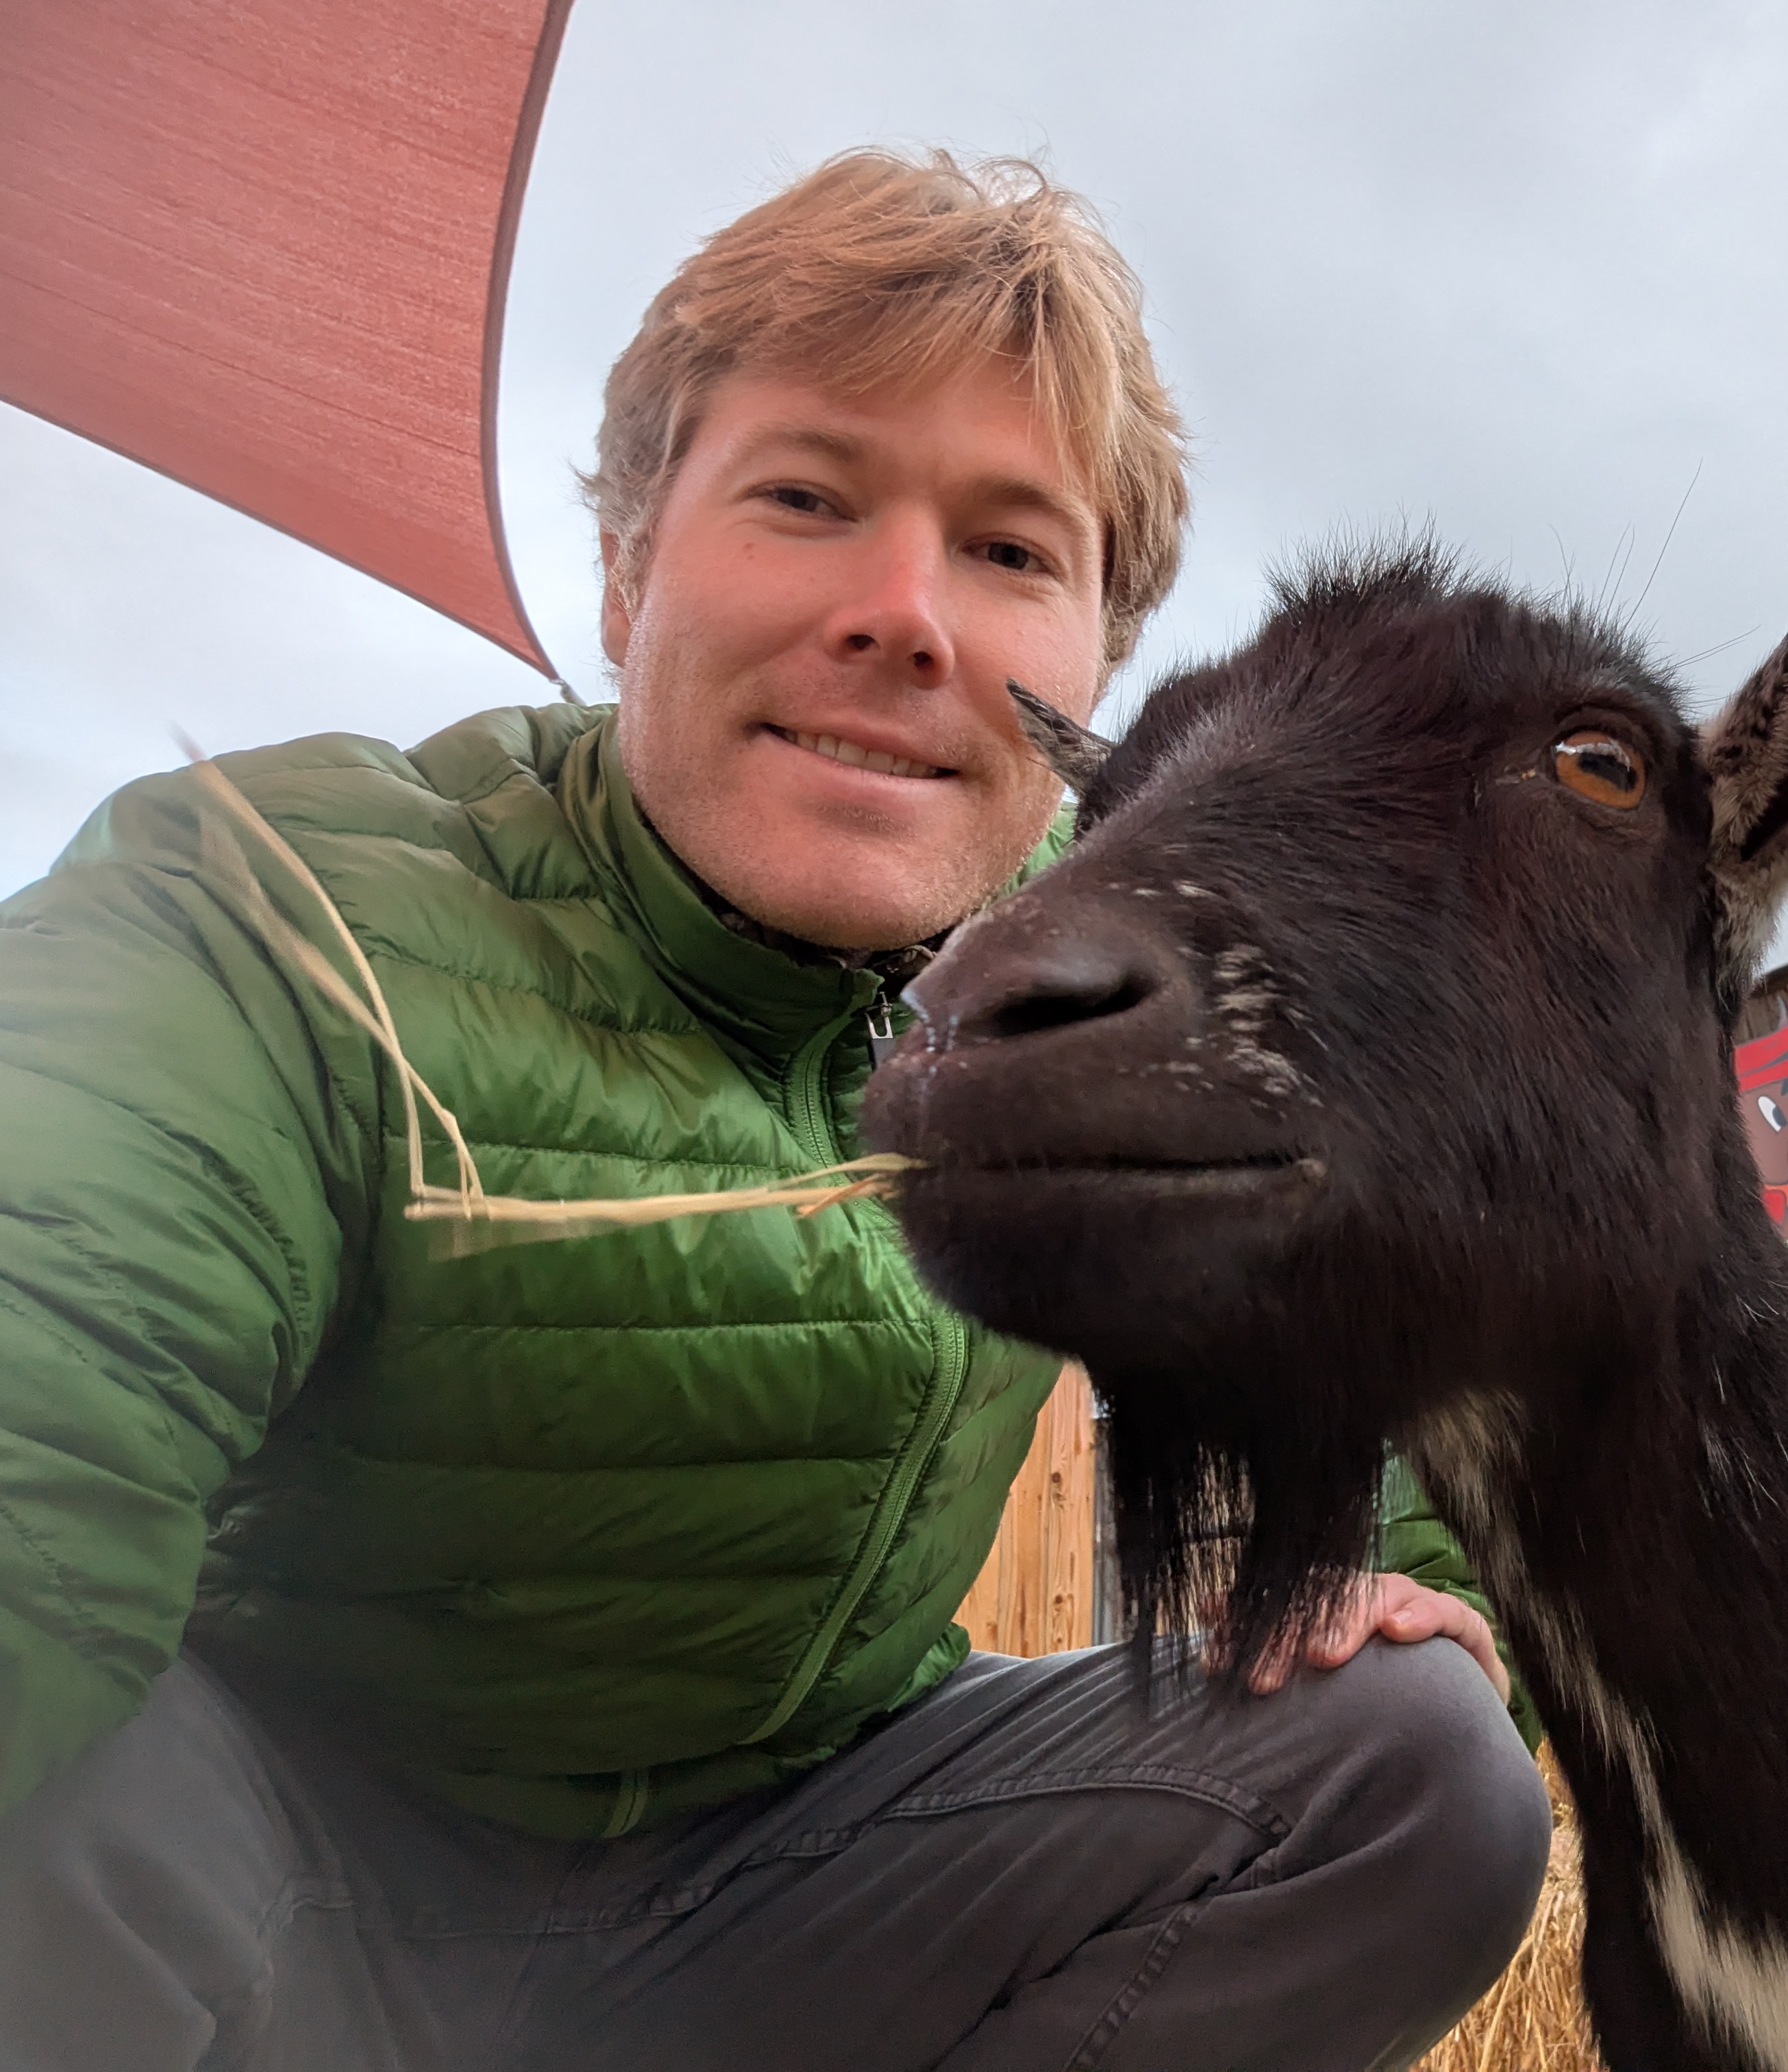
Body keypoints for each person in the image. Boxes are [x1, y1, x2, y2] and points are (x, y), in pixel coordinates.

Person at [0, 149, 1551, 2071]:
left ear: (1095, 676)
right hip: (276, 1891)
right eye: (808, 499)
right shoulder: (278, 908)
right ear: (632, 559)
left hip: (790, 1896)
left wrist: (1393, 1568)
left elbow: (1413, 1356)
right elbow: (38, 1410)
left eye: (1009, 553)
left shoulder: (1138, 1006)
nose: (908, 616)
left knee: (1413, 1762)